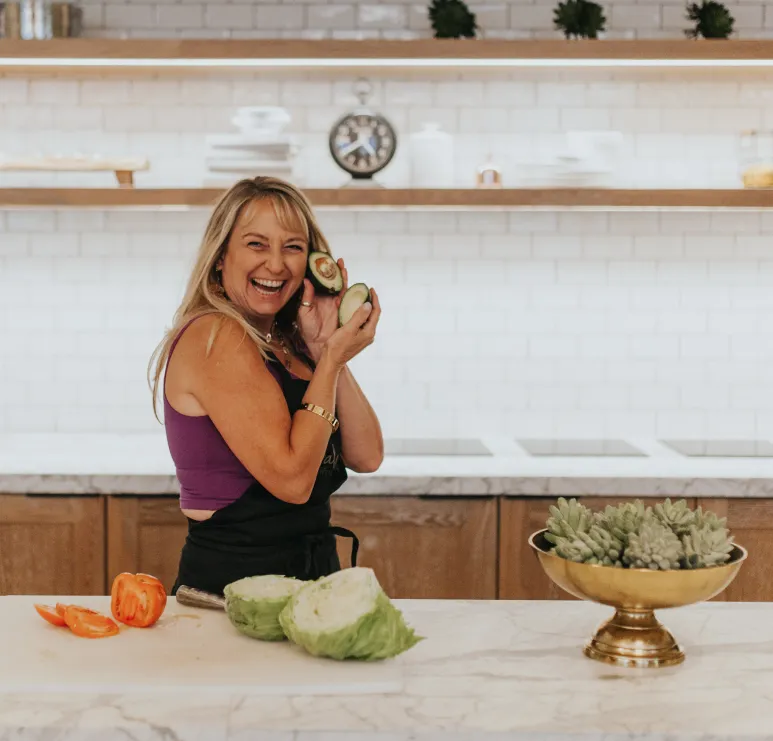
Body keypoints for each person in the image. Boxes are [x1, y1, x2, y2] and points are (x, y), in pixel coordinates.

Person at [148, 176, 383, 596]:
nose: (275, 265)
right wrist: (328, 361)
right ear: (221, 257)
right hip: (234, 595)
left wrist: (329, 353)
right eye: (256, 244)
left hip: (310, 584)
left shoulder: (289, 342)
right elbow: (292, 482)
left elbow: (367, 456)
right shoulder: (215, 336)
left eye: (292, 247)